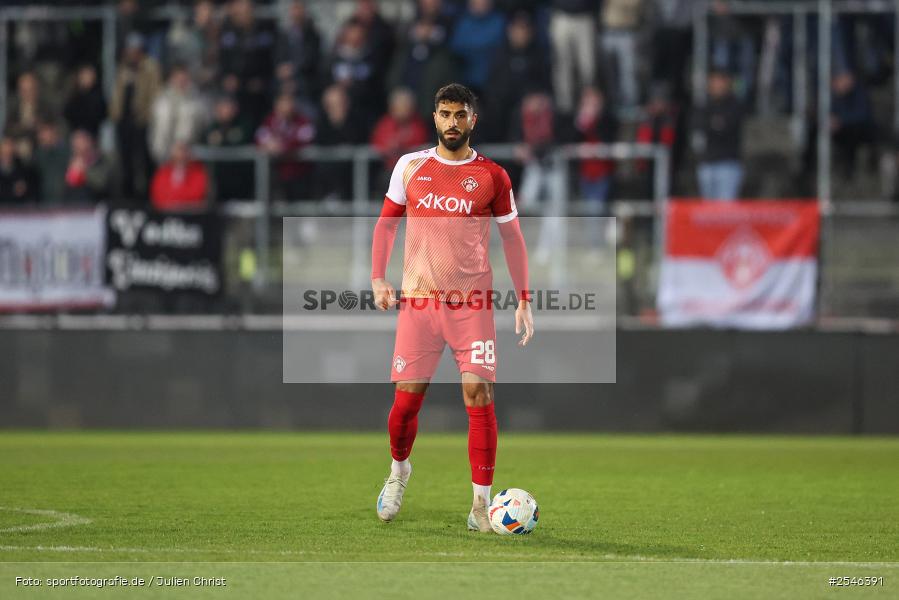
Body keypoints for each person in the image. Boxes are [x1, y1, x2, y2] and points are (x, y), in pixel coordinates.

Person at [370, 83, 534, 531]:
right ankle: (399, 472)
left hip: (472, 305)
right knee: (406, 404)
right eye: (445, 114)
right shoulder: (411, 166)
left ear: (472, 120)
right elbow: (386, 227)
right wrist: (378, 278)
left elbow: (512, 238)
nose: (453, 123)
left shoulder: (493, 177)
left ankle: (481, 506)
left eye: (461, 115)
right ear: (435, 117)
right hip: (419, 303)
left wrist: (524, 299)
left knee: (478, 394)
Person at [110, 32, 162, 201]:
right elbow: (117, 94)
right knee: (125, 162)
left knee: (144, 160)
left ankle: (147, 196)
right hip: (124, 122)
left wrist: (146, 115)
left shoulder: (150, 67)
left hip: (142, 122)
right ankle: (127, 196)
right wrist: (115, 114)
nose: (132, 53)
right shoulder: (123, 68)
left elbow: (155, 93)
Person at [692, 69, 744, 201]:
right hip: (707, 163)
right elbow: (699, 125)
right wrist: (715, 124)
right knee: (707, 211)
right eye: (714, 81)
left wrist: (714, 125)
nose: (717, 85)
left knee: (725, 211)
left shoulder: (735, 105)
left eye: (720, 81)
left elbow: (727, 127)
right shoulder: (704, 105)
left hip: (728, 165)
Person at [255, 92, 315, 200]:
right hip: (277, 173)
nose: (286, 107)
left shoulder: (303, 121)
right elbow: (260, 138)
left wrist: (282, 146)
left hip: (298, 173)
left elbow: (304, 140)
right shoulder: (269, 121)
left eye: (288, 103)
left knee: (296, 210)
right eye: (282, 103)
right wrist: (269, 145)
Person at [149, 64, 207, 164]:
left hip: (189, 154)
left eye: (184, 79)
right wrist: (161, 151)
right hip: (164, 155)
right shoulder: (161, 101)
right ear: (172, 79)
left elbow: (201, 126)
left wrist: (184, 148)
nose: (181, 82)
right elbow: (156, 128)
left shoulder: (197, 101)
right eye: (178, 78)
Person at [202, 95, 255, 200]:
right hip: (219, 178)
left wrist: (223, 139)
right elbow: (206, 141)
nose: (226, 111)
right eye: (223, 107)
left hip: (241, 178)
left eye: (229, 107)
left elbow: (242, 139)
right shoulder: (212, 127)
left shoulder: (244, 124)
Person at [370, 87, 429, 181]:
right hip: (389, 169)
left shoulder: (418, 124)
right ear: (392, 107)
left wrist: (401, 143)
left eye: (407, 106)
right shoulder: (384, 124)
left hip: (414, 170)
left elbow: (420, 142)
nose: (404, 109)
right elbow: (378, 144)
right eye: (401, 106)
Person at [150, 141, 210, 212]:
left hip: (191, 214)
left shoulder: (199, 173)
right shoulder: (163, 173)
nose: (181, 155)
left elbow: (197, 195)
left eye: (184, 150)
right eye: (179, 150)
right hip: (166, 214)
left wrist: (176, 202)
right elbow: (158, 195)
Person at [63, 130, 113, 204]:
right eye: (75, 145)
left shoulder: (102, 160)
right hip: (73, 208)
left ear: (89, 142)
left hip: (95, 207)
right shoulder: (70, 162)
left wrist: (85, 170)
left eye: (80, 143)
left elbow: (101, 185)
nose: (77, 147)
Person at [64, 65, 108, 139]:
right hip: (76, 134)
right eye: (84, 76)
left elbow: (101, 116)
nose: (86, 79)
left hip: (93, 134)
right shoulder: (73, 96)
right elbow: (68, 114)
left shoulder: (98, 97)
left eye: (89, 76)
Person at [0, 136, 38, 205]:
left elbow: (32, 189)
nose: (7, 153)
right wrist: (11, 190)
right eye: (4, 152)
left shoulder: (23, 169)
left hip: (19, 210)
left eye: (10, 152)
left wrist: (24, 188)